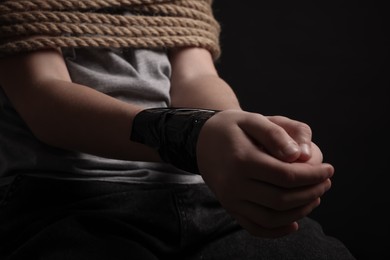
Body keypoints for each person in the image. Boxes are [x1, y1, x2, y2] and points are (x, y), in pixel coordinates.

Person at [0, 0, 356, 259]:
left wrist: (241, 140)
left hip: (199, 188)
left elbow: (197, 77)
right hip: (69, 198)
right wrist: (192, 136)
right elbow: (47, 100)